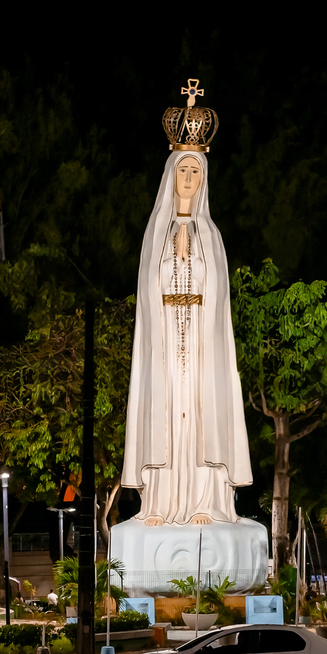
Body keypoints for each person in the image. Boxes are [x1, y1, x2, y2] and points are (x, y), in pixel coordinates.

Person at [120, 150, 252, 526]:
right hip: (164, 340)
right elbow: (148, 294)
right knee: (165, 412)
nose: (190, 176)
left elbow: (218, 294)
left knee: (199, 413)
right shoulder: (156, 232)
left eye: (196, 169)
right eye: (184, 169)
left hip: (199, 341)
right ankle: (159, 502)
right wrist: (169, 260)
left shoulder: (210, 234)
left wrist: (191, 259)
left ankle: (202, 501)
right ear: (171, 176)